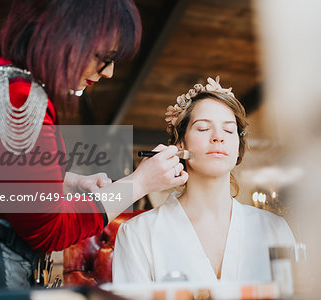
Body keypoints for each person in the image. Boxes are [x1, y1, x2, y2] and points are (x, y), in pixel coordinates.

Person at [0, 0, 188, 293]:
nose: (108, 72)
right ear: (65, 33)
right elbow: (48, 231)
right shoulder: (15, 94)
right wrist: (139, 182)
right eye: (104, 57)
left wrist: (65, 181)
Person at [112, 76, 295, 283]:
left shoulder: (274, 229)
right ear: (180, 145)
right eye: (203, 128)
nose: (218, 137)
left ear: (237, 149)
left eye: (229, 129)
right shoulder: (138, 233)